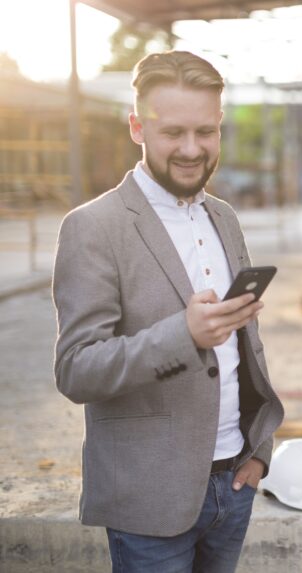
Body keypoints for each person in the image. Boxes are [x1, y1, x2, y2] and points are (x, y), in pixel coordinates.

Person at [52, 51, 284, 572]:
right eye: (172, 132)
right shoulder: (94, 228)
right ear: (137, 127)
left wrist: (260, 447)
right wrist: (184, 334)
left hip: (235, 483)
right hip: (148, 501)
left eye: (205, 131)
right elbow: (76, 370)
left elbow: (247, 352)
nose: (190, 149)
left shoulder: (223, 216)